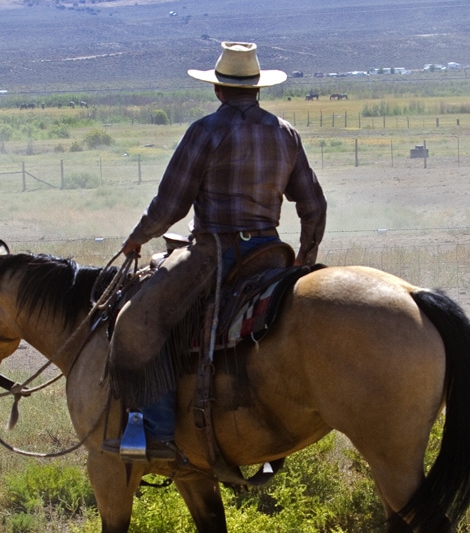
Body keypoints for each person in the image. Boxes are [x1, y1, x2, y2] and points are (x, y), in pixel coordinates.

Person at [110, 41, 327, 452]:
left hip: (214, 253)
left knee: (138, 318)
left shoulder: (205, 131)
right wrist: (304, 261)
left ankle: (156, 431)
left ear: (218, 90)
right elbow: (313, 205)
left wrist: (138, 236)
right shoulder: (286, 133)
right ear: (258, 89)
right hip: (270, 251)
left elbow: (170, 204)